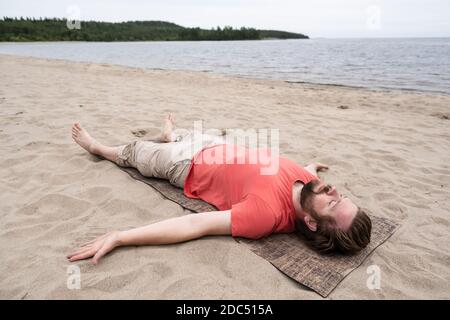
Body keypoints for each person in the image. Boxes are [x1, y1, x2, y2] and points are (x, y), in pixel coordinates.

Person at [67, 114, 372, 265]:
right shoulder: (309, 186)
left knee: (136, 153)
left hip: (186, 164)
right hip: (219, 147)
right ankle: (170, 134)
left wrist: (121, 237)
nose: (332, 191)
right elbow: (309, 177)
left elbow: (194, 224)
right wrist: (312, 167)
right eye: (339, 196)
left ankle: (98, 148)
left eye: (332, 204)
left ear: (311, 222)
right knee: (195, 133)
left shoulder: (265, 215)